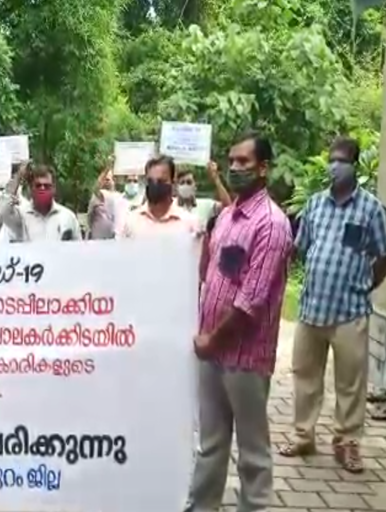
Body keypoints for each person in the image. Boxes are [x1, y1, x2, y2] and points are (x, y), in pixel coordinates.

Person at [186, 132, 292, 512]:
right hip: (213, 355)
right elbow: (211, 275)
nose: (235, 168)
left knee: (252, 452)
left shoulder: (272, 224)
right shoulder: (228, 216)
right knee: (211, 444)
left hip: (244, 358)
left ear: (264, 168)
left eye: (244, 162)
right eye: (231, 161)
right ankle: (202, 506)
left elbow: (250, 300)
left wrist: (212, 341)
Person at [278, 136, 386, 473]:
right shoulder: (315, 204)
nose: (334, 166)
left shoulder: (371, 209)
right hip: (312, 309)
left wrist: (367, 285)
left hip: (350, 311)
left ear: (354, 166)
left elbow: (382, 256)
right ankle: (303, 435)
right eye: (331, 159)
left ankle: (348, 443)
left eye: (341, 160)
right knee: (305, 376)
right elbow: (301, 247)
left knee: (351, 383)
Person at [0, 162, 81, 242]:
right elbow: (2, 211)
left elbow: (78, 250)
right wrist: (18, 176)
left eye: (47, 186)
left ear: (54, 188)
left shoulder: (68, 217)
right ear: (31, 188)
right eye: (38, 185)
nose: (42, 189)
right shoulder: (21, 216)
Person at [118, 156, 199, 238]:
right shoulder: (131, 222)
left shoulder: (189, 223)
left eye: (161, 181)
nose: (155, 185)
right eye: (151, 181)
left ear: (173, 183)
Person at [176, 161, 232, 230]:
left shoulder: (205, 205)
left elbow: (228, 207)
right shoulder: (170, 206)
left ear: (195, 186)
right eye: (182, 183)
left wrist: (216, 178)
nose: (185, 185)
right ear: (177, 187)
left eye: (189, 182)